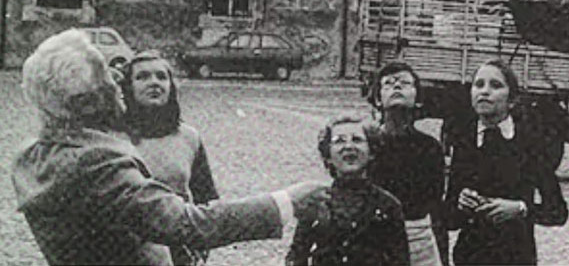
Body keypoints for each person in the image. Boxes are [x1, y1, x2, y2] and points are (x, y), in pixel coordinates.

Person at [12, 28, 331, 266]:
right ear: (88, 101)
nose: (117, 79)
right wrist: (285, 201)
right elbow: (185, 223)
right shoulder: (98, 163)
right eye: (108, 77)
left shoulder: (30, 156)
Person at [444, 58, 568, 265]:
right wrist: (460, 203)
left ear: (512, 100)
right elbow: (449, 219)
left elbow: (557, 212)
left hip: (516, 255)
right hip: (469, 256)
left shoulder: (531, 141)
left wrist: (520, 208)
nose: (485, 91)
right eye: (479, 84)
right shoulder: (464, 140)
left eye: (496, 85)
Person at [120, 49, 219, 265]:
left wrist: (203, 242)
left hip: (179, 249)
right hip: (127, 249)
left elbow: (206, 196)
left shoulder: (189, 137)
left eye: (161, 76)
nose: (154, 82)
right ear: (128, 87)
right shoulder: (114, 138)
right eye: (142, 77)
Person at [286, 111, 410, 266]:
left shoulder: (387, 205)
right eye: (339, 141)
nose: (348, 147)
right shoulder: (316, 202)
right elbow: (297, 256)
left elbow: (400, 260)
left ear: (371, 152)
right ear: (328, 156)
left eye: (357, 140)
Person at [368, 61, 448, 266]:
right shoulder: (367, 144)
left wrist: (443, 258)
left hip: (417, 241)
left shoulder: (430, 148)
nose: (396, 87)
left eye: (404, 83)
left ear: (418, 99)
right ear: (377, 99)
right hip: (372, 240)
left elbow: (436, 208)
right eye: (388, 83)